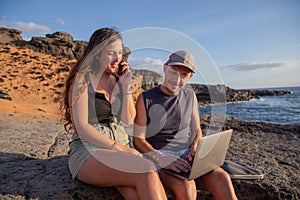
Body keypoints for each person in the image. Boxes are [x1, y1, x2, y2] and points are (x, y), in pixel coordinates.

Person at [61, 27, 167, 200]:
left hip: (120, 141)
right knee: (146, 169)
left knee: (134, 194)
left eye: (120, 52)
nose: (118, 59)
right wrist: (122, 149)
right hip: (91, 148)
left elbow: (128, 119)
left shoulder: (117, 79)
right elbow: (82, 127)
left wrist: (125, 87)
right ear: (97, 54)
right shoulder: (82, 80)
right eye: (111, 53)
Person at [133, 50, 238, 200]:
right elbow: (138, 140)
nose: (177, 79)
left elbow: (196, 131)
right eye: (174, 72)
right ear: (165, 67)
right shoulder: (146, 98)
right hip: (160, 156)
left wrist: (195, 147)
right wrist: (161, 158)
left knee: (223, 178)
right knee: (186, 188)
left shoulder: (190, 95)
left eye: (184, 75)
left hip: (186, 156)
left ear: (190, 77)